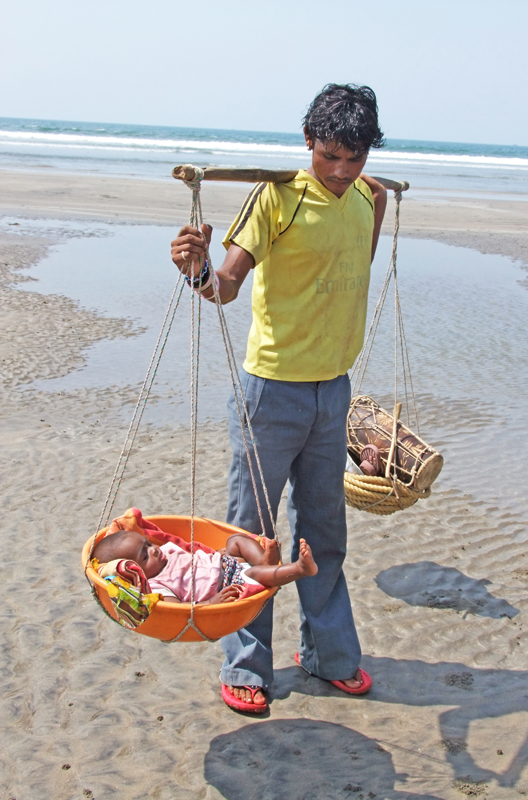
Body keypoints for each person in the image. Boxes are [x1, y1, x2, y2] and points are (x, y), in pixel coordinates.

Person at [170, 83, 387, 713]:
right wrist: (195, 267)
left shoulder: (367, 202)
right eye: (330, 157)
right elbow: (225, 287)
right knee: (253, 537)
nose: (343, 172)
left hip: (333, 392)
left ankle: (329, 655)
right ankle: (246, 665)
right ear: (308, 143)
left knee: (325, 532)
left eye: (356, 158)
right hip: (270, 392)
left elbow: (351, 273)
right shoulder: (276, 198)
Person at [92, 529, 318, 603]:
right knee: (255, 574)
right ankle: (299, 569)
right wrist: (210, 603)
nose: (154, 549)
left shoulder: (167, 551)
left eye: (149, 544)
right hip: (228, 582)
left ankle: (263, 559)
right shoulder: (157, 586)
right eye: (145, 555)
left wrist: (216, 555)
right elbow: (179, 612)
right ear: (137, 572)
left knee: (236, 541)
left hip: (224, 563)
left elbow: (195, 555)